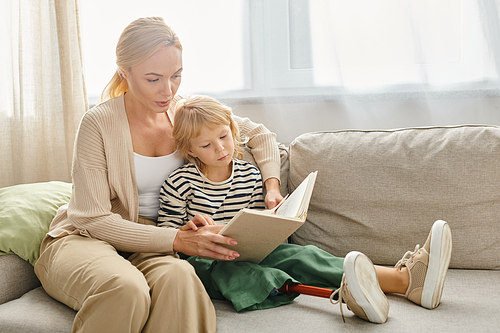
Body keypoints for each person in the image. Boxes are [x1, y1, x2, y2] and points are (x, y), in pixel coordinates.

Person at [34, 17, 284, 333]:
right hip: (85, 238)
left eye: (176, 76)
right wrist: (178, 238)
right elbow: (92, 218)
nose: (168, 90)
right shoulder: (97, 123)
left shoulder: (184, 113)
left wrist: (271, 185)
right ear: (125, 72)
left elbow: (259, 135)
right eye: (153, 79)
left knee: (182, 280)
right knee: (125, 288)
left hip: (152, 242)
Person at [157, 94, 453, 324]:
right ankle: (345, 295)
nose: (220, 149)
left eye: (224, 137)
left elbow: (255, 221)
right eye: (207, 145)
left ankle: (406, 281)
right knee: (247, 274)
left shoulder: (249, 174)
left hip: (249, 249)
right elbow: (168, 236)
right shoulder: (180, 181)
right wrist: (191, 229)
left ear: (233, 130)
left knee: (304, 255)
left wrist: (275, 218)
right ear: (191, 151)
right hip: (206, 261)